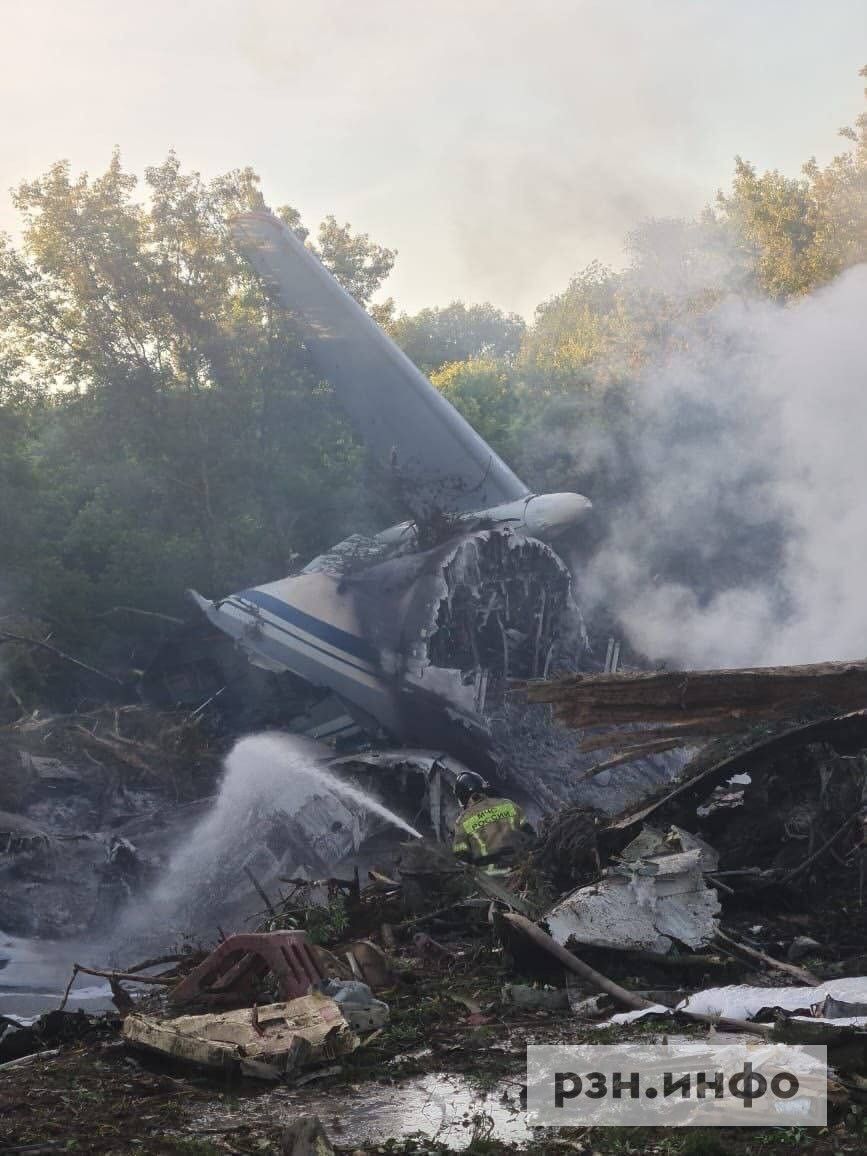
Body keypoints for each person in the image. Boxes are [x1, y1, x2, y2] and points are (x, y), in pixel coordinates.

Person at [451, 771, 534, 871]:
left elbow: (460, 855)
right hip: (522, 868)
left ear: (462, 797)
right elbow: (530, 833)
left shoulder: (462, 821)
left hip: (491, 876)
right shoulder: (508, 804)